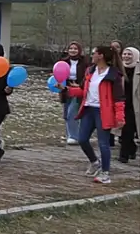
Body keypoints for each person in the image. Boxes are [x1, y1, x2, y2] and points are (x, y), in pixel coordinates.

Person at [66, 45, 127, 184]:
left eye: (94, 53)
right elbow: (82, 90)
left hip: (103, 111)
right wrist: (66, 89)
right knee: (82, 139)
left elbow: (119, 98)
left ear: (101, 56)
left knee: (103, 143)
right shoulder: (90, 70)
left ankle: (105, 173)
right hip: (88, 109)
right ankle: (94, 162)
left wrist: (120, 116)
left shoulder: (114, 74)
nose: (91, 55)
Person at [59, 42, 89, 145]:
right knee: (67, 113)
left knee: (72, 112)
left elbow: (87, 76)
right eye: (71, 48)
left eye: (75, 48)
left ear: (79, 50)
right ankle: (70, 135)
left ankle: (73, 136)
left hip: (79, 90)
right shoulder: (63, 62)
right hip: (65, 89)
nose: (73, 50)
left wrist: (80, 85)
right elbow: (58, 74)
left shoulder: (85, 62)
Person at [118, 47, 139, 163]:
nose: (126, 56)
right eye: (125, 54)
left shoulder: (138, 68)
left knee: (131, 129)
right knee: (126, 129)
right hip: (122, 102)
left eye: (129, 54)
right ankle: (126, 153)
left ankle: (128, 151)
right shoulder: (120, 68)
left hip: (136, 103)